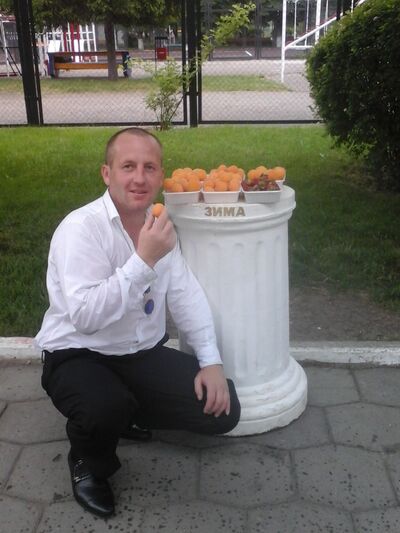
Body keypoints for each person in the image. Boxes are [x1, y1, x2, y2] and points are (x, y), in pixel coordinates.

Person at [36, 127, 241, 518]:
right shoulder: (80, 229)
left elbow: (185, 294)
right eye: (128, 166)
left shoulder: (157, 226)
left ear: (161, 175)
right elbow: (86, 318)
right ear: (107, 173)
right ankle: (87, 460)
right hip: (78, 354)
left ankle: (124, 412)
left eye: (149, 167)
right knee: (103, 407)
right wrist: (143, 260)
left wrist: (211, 361)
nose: (139, 177)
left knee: (222, 410)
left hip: (138, 353)